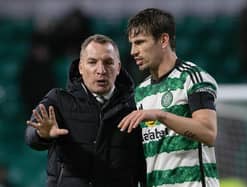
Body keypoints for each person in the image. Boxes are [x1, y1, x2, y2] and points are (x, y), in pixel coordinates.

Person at [25, 34, 146, 187]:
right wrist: (41, 134)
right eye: (92, 62)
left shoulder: (136, 108)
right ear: (81, 67)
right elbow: (31, 135)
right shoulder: (58, 100)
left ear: (118, 68)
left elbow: (143, 167)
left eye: (108, 62)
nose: (101, 70)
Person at [118, 8, 220, 187]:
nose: (133, 51)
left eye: (140, 42)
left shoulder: (191, 78)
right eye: (132, 44)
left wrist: (160, 115)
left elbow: (208, 133)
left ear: (164, 40)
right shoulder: (140, 92)